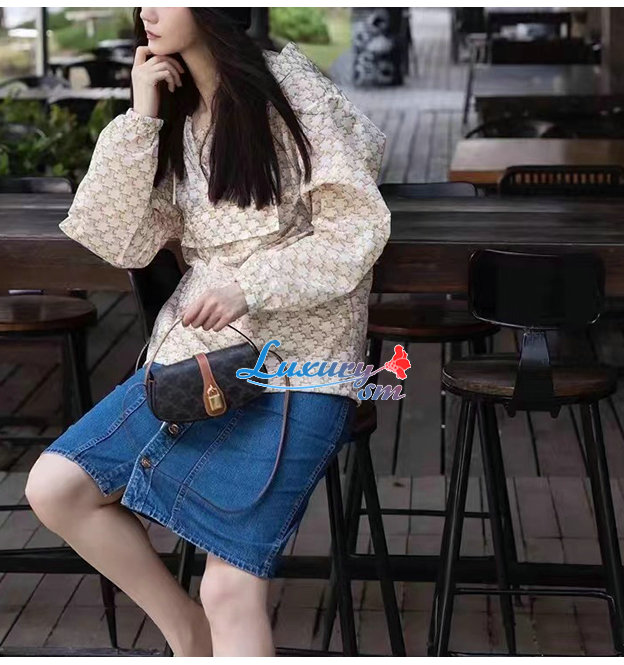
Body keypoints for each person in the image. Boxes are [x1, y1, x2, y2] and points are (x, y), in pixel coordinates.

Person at [24, 7, 390, 657]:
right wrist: (142, 116)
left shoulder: (288, 87)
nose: (147, 9)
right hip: (196, 362)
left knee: (229, 588)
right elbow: (120, 240)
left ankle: (207, 630)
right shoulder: (177, 114)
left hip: (298, 366)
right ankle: (188, 636)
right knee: (56, 488)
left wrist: (250, 286)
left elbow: (354, 227)